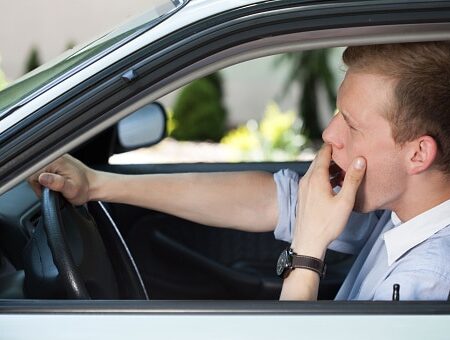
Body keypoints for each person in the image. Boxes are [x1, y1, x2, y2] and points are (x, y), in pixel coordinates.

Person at [29, 42, 450, 301]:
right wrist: (98, 184)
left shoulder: (428, 282)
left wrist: (307, 252)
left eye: (352, 125)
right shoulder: (395, 209)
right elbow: (266, 199)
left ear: (418, 154)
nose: (329, 133)